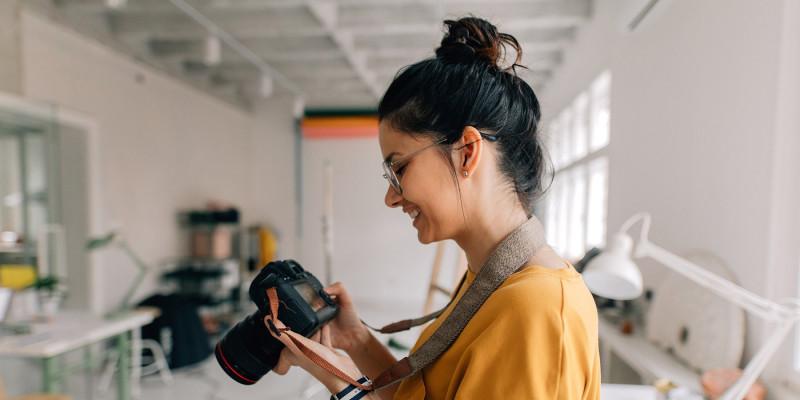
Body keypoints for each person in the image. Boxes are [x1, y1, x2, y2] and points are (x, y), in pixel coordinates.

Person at [266, 16, 601, 400]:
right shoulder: (493, 280)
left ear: (467, 152)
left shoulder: (538, 309)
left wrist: (343, 383)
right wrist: (356, 340)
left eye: (399, 168)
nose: (391, 197)